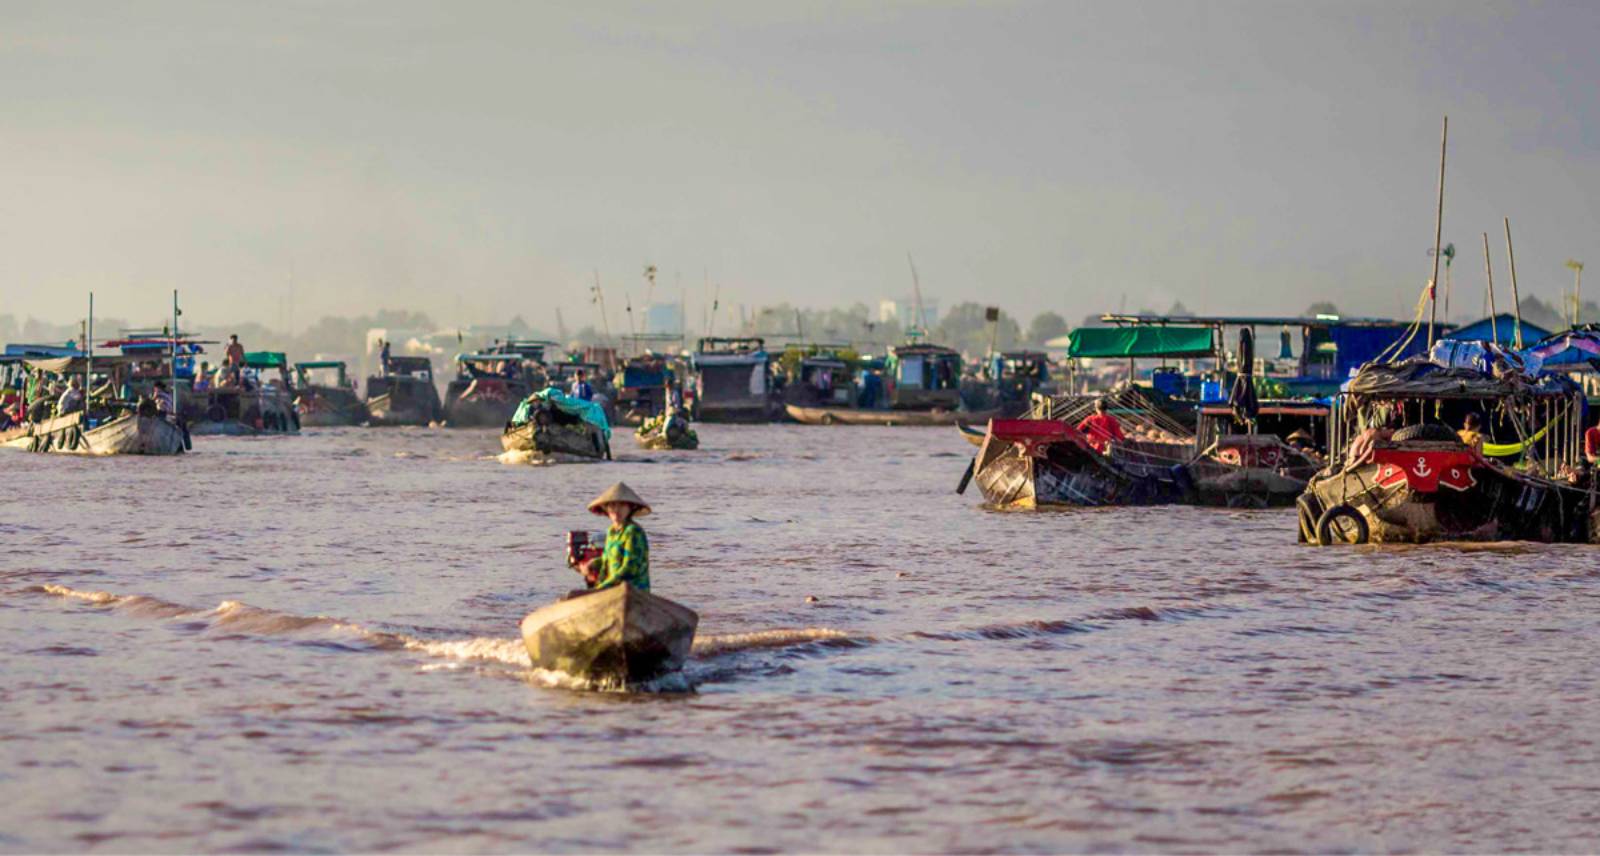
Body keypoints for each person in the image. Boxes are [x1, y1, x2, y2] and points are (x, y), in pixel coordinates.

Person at [578, 482, 651, 592]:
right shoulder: (611, 532)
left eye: (621, 505)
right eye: (612, 505)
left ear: (630, 508)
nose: (616, 510)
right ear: (606, 509)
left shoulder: (633, 532)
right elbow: (609, 559)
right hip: (612, 589)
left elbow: (629, 569)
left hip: (634, 591)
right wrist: (593, 564)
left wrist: (600, 589)